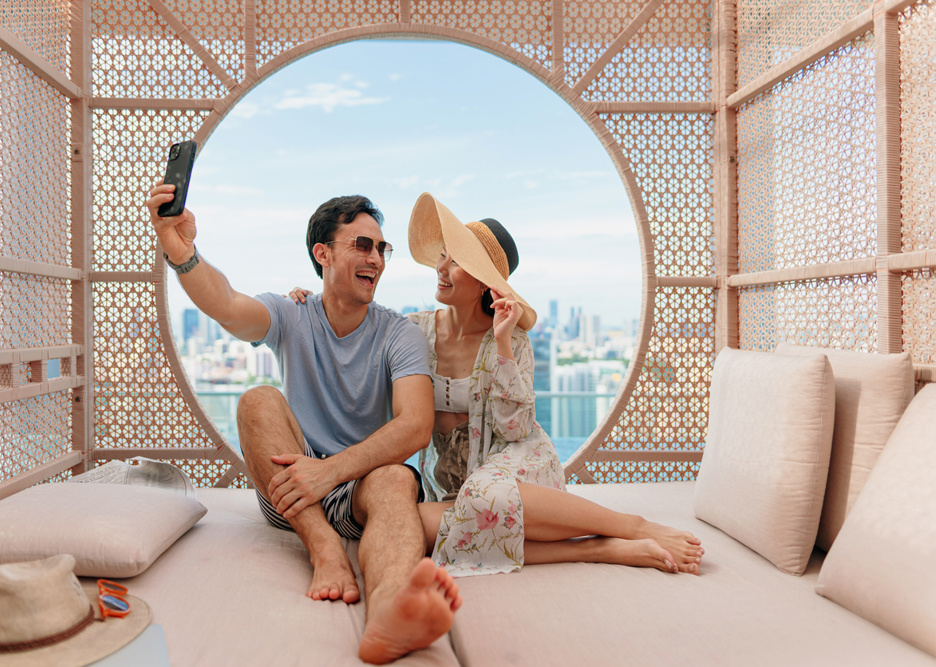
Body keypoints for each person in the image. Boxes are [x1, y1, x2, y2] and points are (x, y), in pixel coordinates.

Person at [291, 192, 703, 577]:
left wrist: (503, 342)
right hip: (458, 486)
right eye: (443, 257)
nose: (441, 268)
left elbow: (513, 429)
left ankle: (633, 526)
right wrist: (315, 300)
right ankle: (598, 548)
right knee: (413, 525)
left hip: (517, 464)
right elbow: (359, 329)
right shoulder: (412, 331)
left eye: (455, 263)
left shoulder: (511, 339)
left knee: (489, 497)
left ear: (483, 282)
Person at [146, 184, 461, 664]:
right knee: (257, 400)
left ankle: (389, 618)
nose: (376, 258)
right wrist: (181, 250)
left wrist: (332, 471)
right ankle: (325, 549)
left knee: (398, 477)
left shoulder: (400, 335)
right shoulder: (292, 314)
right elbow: (227, 305)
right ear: (323, 253)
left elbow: (416, 426)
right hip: (291, 493)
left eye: (382, 248)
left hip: (361, 491)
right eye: (362, 244)